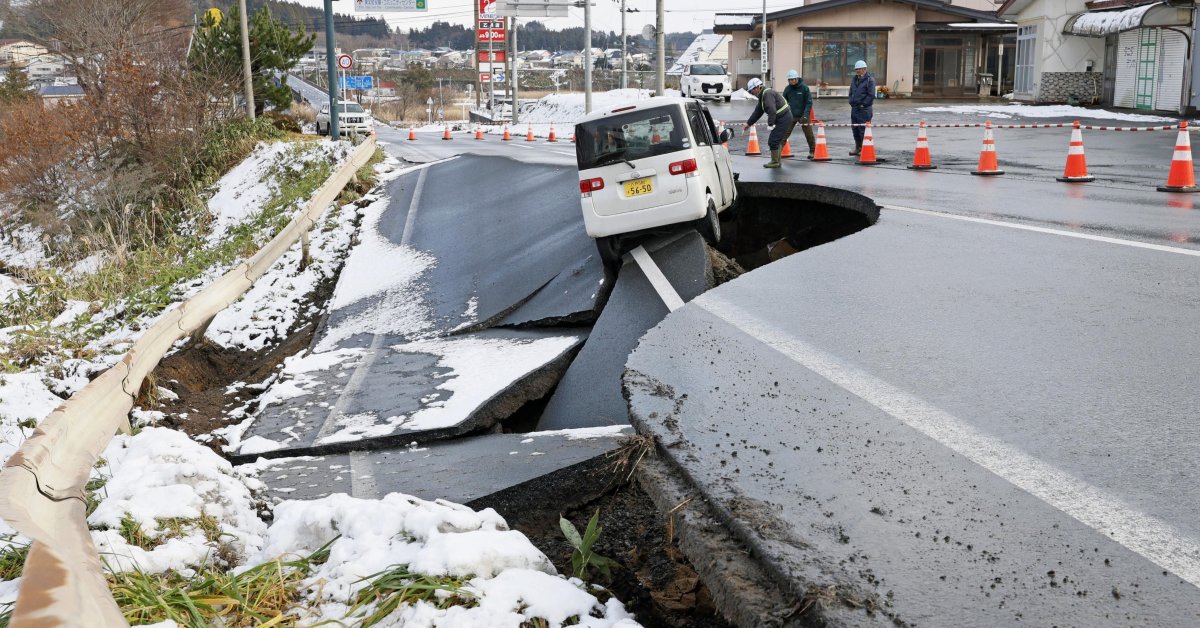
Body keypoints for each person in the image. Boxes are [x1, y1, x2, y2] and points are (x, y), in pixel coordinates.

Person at [742, 77, 793, 169]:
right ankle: (777, 161)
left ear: (757, 87)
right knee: (776, 140)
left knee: (773, 140)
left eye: (751, 91)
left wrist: (770, 124)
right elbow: (758, 112)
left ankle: (775, 162)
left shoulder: (767, 94)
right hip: (782, 117)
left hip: (784, 118)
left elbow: (772, 110)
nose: (751, 93)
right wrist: (748, 123)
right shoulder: (762, 95)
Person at [782, 69, 815, 159]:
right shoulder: (787, 89)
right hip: (791, 115)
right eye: (789, 80)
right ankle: (778, 151)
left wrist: (805, 115)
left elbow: (809, 103)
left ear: (797, 79)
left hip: (803, 115)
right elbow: (783, 102)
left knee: (809, 134)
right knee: (784, 133)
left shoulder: (804, 88)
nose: (791, 81)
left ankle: (812, 151)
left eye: (792, 79)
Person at [848, 60, 876, 156]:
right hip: (855, 108)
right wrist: (851, 101)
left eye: (859, 69)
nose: (857, 71)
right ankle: (858, 147)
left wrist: (863, 104)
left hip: (864, 109)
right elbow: (851, 91)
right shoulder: (855, 79)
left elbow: (871, 95)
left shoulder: (870, 80)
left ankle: (864, 149)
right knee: (855, 129)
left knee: (863, 129)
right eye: (856, 69)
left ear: (864, 69)